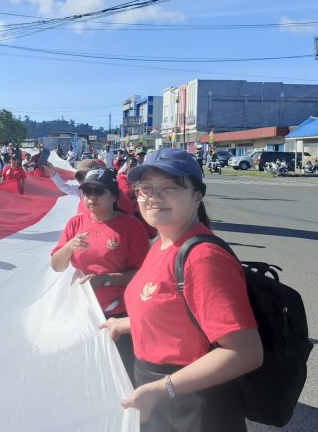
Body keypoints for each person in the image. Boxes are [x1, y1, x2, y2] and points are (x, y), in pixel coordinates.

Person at [102, 149, 262, 431]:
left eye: (169, 188)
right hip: (159, 392)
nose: (153, 197)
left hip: (192, 404)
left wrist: (162, 389)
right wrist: (123, 324)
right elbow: (168, 311)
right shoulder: (161, 243)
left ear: (197, 197)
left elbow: (245, 352)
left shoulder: (203, 258)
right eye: (145, 189)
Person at [51, 168, 149, 380]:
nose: (92, 196)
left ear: (113, 196)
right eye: (87, 191)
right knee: (84, 376)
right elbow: (56, 266)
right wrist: (69, 246)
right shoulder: (75, 223)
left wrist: (105, 280)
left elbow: (143, 275)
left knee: (120, 377)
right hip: (81, 314)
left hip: (119, 317)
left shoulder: (131, 227)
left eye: (99, 191)